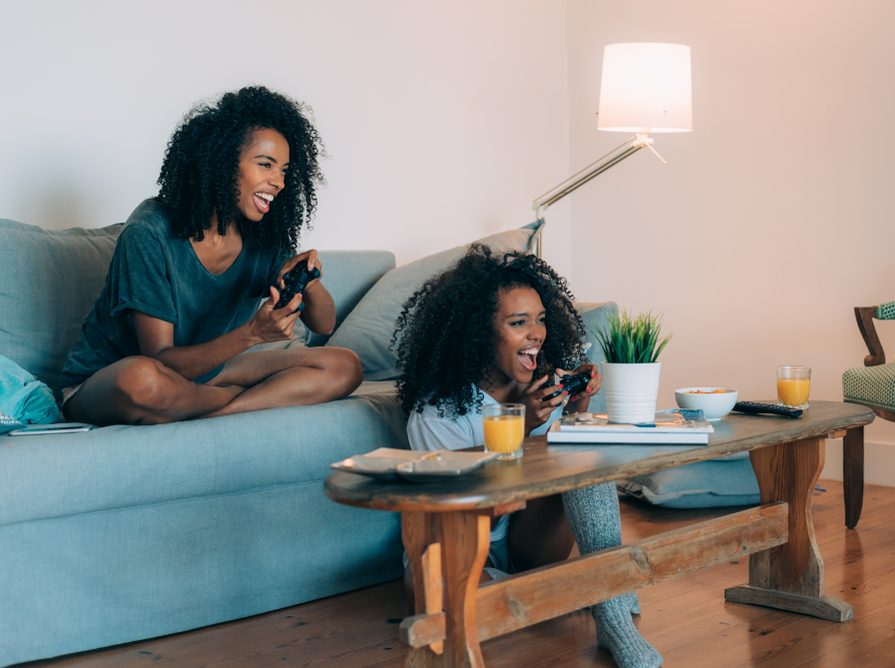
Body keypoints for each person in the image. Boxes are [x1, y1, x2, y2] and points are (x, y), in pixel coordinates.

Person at [392, 244, 661, 668]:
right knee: (433, 589)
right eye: (519, 323)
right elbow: (465, 509)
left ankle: (609, 612)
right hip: (457, 544)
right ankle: (577, 588)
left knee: (583, 452)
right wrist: (521, 434)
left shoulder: (542, 386)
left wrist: (575, 410)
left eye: (540, 320)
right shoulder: (438, 412)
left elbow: (568, 476)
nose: (536, 334)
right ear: (478, 334)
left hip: (524, 540)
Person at [60, 86, 363, 426]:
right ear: (221, 162)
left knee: (344, 365)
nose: (278, 182)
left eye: (284, 171)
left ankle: (216, 410)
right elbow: (162, 361)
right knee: (142, 380)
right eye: (265, 165)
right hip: (113, 380)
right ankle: (229, 402)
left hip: (204, 374)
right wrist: (253, 334)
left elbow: (324, 324)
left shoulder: (261, 235)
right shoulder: (149, 232)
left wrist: (309, 280)